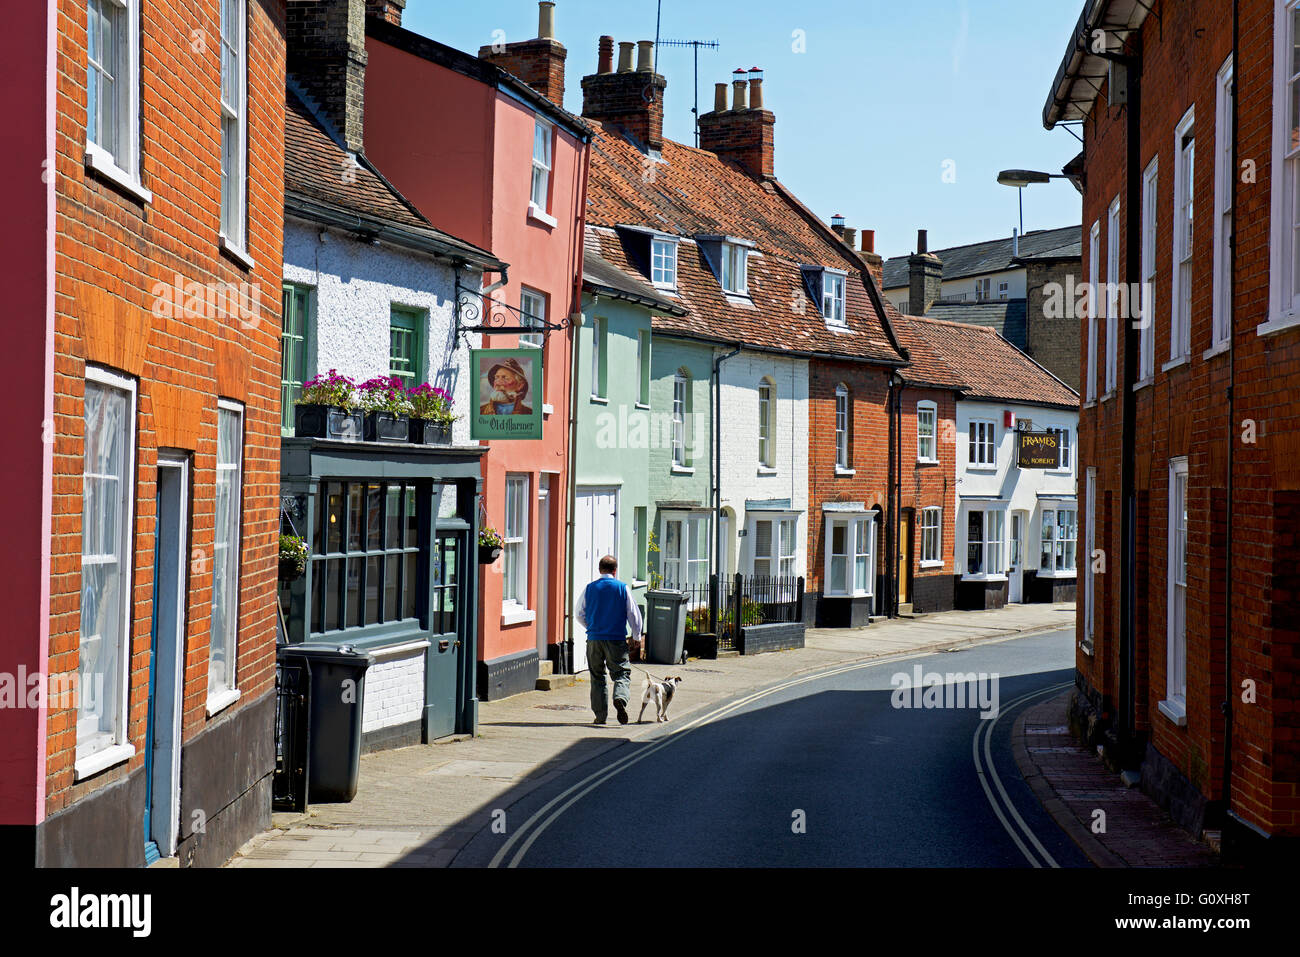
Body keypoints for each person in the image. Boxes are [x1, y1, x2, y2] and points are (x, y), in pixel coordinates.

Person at [575, 555, 643, 725]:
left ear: (599, 570)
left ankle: (600, 716)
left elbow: (578, 614)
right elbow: (634, 614)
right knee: (621, 673)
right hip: (616, 639)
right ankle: (620, 697)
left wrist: (591, 628)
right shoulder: (622, 588)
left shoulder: (589, 588)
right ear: (615, 570)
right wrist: (636, 636)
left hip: (594, 639)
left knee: (597, 676)